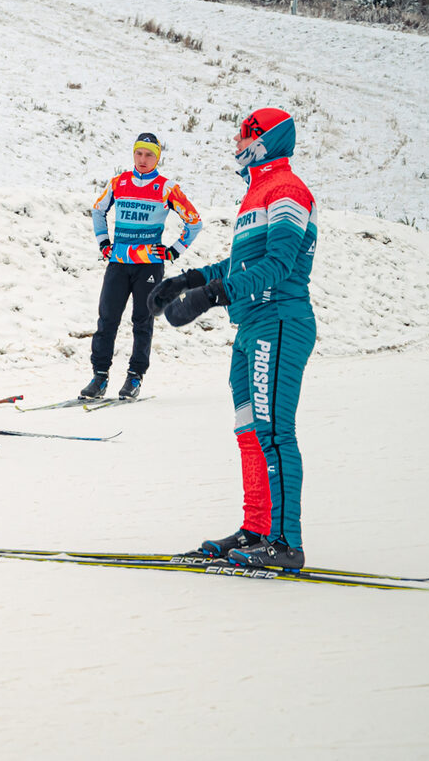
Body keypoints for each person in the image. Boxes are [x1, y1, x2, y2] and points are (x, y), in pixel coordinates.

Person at [150, 108, 318, 571]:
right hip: (250, 326)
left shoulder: (286, 190)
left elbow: (279, 263)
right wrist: (189, 279)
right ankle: (257, 528)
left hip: (279, 320)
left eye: (246, 136)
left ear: (265, 141)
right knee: (249, 432)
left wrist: (213, 295)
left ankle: (285, 541)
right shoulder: (257, 193)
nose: (238, 144)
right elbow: (240, 265)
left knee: (273, 432)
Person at [81, 132, 203, 400]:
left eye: (149, 154)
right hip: (118, 263)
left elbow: (194, 221)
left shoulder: (167, 187)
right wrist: (104, 243)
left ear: (157, 157)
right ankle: (99, 378)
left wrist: (173, 251)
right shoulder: (119, 182)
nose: (143, 159)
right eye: (138, 153)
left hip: (149, 266)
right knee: (107, 319)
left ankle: (135, 378)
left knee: (142, 320)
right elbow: (97, 210)